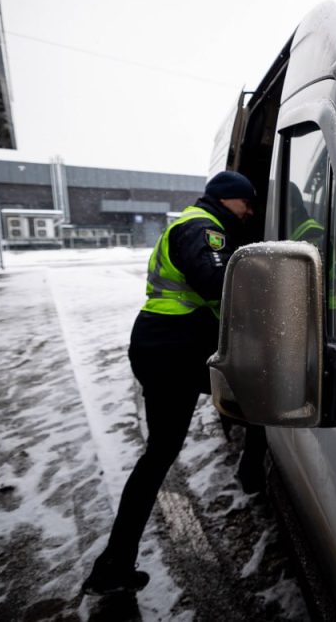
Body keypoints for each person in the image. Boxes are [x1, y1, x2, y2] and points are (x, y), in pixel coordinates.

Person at [83, 171, 257, 596]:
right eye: (245, 202)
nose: (249, 211)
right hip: (173, 352)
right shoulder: (203, 228)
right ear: (226, 199)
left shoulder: (195, 222)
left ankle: (114, 565)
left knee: (165, 450)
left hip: (165, 346)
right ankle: (252, 469)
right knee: (251, 401)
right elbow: (215, 283)